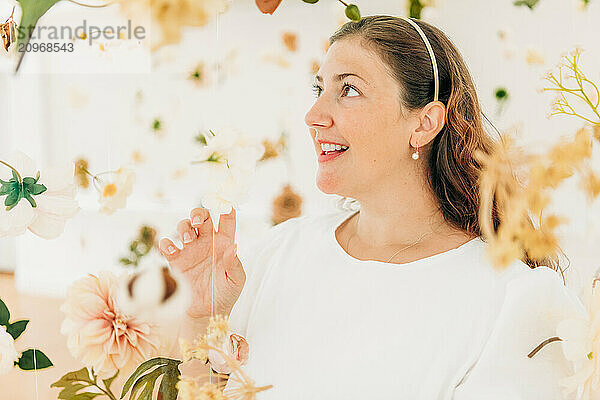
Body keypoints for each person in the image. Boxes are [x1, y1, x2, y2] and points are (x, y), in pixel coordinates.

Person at [159, 15, 583, 399]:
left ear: (424, 123)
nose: (313, 114)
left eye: (349, 89)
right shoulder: (277, 255)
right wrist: (203, 315)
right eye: (319, 89)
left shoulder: (507, 298)